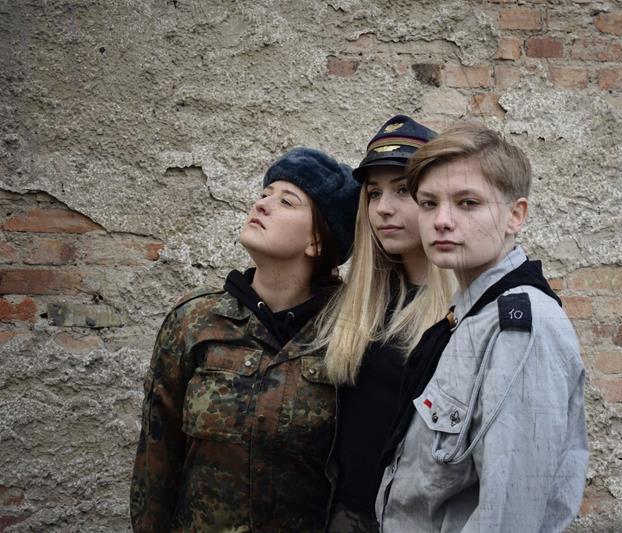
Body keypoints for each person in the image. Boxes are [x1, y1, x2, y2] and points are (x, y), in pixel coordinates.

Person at [130, 148, 359, 532]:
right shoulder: (195, 321)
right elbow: (156, 460)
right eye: (265, 193)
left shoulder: (349, 335)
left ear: (317, 243)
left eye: (287, 201)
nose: (263, 204)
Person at [376, 122, 588, 532]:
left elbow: (509, 517)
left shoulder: (520, 330)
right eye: (428, 203)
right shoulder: (472, 313)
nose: (442, 220)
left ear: (515, 215)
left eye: (467, 203)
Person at [313, 115, 455, 532]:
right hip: (341, 515)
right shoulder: (356, 304)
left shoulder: (465, 311)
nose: (383, 209)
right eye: (374, 193)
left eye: (402, 190)